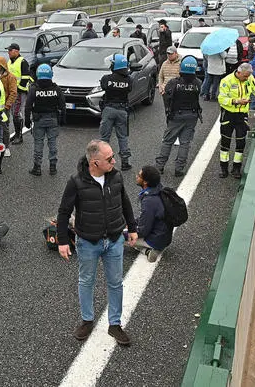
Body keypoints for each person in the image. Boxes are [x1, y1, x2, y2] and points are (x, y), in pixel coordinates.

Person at [57, 140, 138, 346]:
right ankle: (87, 320)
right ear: (95, 162)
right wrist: (63, 241)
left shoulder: (116, 176)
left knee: (116, 282)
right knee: (86, 281)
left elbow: (125, 202)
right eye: (109, 158)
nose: (114, 160)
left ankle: (115, 324)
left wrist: (133, 228)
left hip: (114, 239)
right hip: (88, 242)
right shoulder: (76, 182)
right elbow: (64, 212)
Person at [217, 63, 255, 179]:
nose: (246, 78)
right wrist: (236, 101)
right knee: (225, 142)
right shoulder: (227, 80)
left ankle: (236, 168)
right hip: (228, 114)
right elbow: (221, 99)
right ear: (238, 72)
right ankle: (224, 168)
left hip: (242, 115)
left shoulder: (249, 78)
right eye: (245, 76)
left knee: (240, 142)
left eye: (248, 76)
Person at [156, 57, 201, 177]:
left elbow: (166, 96)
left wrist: (168, 113)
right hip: (192, 116)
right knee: (185, 143)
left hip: (176, 116)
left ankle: (159, 166)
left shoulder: (174, 83)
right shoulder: (198, 83)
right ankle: (179, 168)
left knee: (167, 141)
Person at [25, 63, 65, 176]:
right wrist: (62, 120)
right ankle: (53, 167)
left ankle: (37, 167)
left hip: (38, 119)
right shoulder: (56, 89)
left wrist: (27, 121)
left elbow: (28, 106)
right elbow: (62, 105)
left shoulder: (34, 89)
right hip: (53, 119)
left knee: (38, 143)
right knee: (52, 143)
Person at [128, 166, 172, 262]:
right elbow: (147, 218)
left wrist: (125, 231)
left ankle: (147, 250)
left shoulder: (149, 201)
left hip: (155, 240)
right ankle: (149, 250)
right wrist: (131, 223)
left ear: (145, 182)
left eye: (139, 175)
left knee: (117, 236)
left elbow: (143, 231)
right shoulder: (160, 190)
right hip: (164, 237)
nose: (136, 176)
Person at [99, 54, 133, 171]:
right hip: (122, 110)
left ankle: (103, 161)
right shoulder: (129, 80)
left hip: (109, 109)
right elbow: (129, 89)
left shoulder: (106, 78)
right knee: (122, 137)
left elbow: (103, 87)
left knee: (104, 137)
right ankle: (125, 162)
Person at [5, 43, 33, 144]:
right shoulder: (9, 61)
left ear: (16, 51)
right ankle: (17, 134)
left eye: (10, 50)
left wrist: (18, 90)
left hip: (19, 92)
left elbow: (25, 78)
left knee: (16, 113)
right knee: (13, 113)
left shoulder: (23, 62)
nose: (8, 52)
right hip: (12, 92)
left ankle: (19, 136)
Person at [0, 55, 17, 157]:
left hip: (4, 107)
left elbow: (13, 93)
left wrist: (7, 106)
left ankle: (6, 147)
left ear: (2, 65)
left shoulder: (10, 77)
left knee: (5, 127)